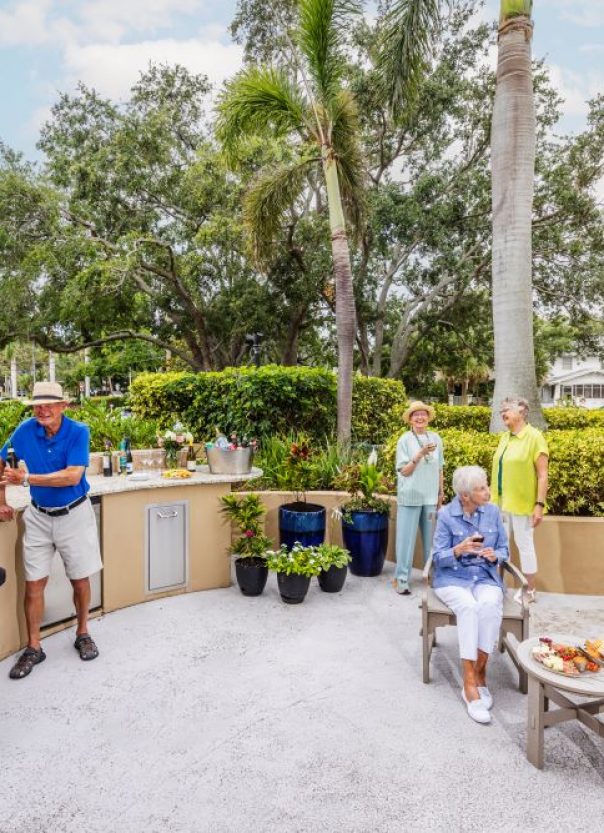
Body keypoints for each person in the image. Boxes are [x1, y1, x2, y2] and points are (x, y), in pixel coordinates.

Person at [0, 381, 102, 679]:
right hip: (38, 517)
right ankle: (34, 647)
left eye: (49, 404)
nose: (42, 410)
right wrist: (2, 499)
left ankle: (83, 633)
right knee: (34, 585)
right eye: (37, 405)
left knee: (80, 579)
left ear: (63, 406)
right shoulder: (23, 431)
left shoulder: (78, 432)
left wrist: (28, 478)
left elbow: (72, 476)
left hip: (74, 513)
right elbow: (0, 459)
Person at [432, 466, 509, 725]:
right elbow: (437, 558)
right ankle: (469, 684)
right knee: (468, 607)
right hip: (452, 579)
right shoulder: (446, 515)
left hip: (484, 575)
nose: (488, 492)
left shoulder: (493, 512)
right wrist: (457, 549)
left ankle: (480, 673)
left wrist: (494, 555)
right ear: (465, 496)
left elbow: (504, 549)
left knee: (488, 605)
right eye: (481, 488)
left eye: (486, 486)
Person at [491, 396, 548, 604]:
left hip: (522, 503)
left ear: (522, 411)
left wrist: (539, 505)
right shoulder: (505, 437)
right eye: (501, 409)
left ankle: (530, 590)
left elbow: (542, 475)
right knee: (499, 544)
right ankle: (498, 584)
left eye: (507, 408)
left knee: (524, 545)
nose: (502, 412)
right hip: (499, 502)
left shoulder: (534, 437)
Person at [394, 401, 444, 595]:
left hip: (431, 497)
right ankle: (402, 580)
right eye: (416, 415)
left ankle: (430, 576)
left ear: (428, 417)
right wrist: (420, 454)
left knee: (431, 541)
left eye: (423, 414)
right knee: (405, 542)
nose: (420, 417)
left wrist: (441, 493)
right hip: (410, 497)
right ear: (410, 419)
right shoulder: (404, 440)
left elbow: (440, 467)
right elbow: (404, 472)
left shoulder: (437, 438)